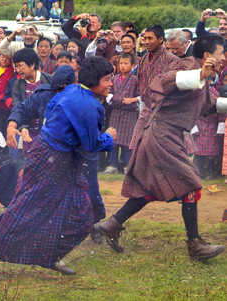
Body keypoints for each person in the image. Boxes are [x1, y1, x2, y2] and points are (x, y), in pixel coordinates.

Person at [0, 56, 116, 280]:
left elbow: (50, 112)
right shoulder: (88, 105)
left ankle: (50, 254)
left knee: (79, 213)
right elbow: (91, 145)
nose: (111, 84)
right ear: (94, 81)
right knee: (28, 210)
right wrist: (109, 137)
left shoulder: (71, 91)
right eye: (108, 79)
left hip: (59, 157)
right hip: (52, 158)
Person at [94, 34, 227, 261]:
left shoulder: (201, 76)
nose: (224, 57)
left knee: (149, 189)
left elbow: (210, 105)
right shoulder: (187, 66)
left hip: (165, 135)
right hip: (162, 135)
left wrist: (204, 78)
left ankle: (111, 224)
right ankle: (195, 245)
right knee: (191, 184)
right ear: (207, 56)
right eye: (221, 53)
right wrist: (200, 74)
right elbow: (169, 81)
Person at [129, 25, 179, 151]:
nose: (146, 42)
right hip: (146, 107)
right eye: (145, 38)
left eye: (150, 38)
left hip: (165, 110)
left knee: (164, 149)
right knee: (139, 147)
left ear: (161, 39)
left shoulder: (172, 60)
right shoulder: (144, 59)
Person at [103, 53, 139, 174]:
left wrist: (132, 100)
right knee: (114, 139)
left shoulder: (136, 80)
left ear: (132, 65)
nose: (122, 66)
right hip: (115, 113)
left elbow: (139, 97)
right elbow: (109, 95)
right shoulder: (113, 79)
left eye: (126, 63)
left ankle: (127, 166)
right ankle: (113, 165)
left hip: (130, 115)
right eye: (121, 63)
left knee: (128, 141)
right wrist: (121, 102)